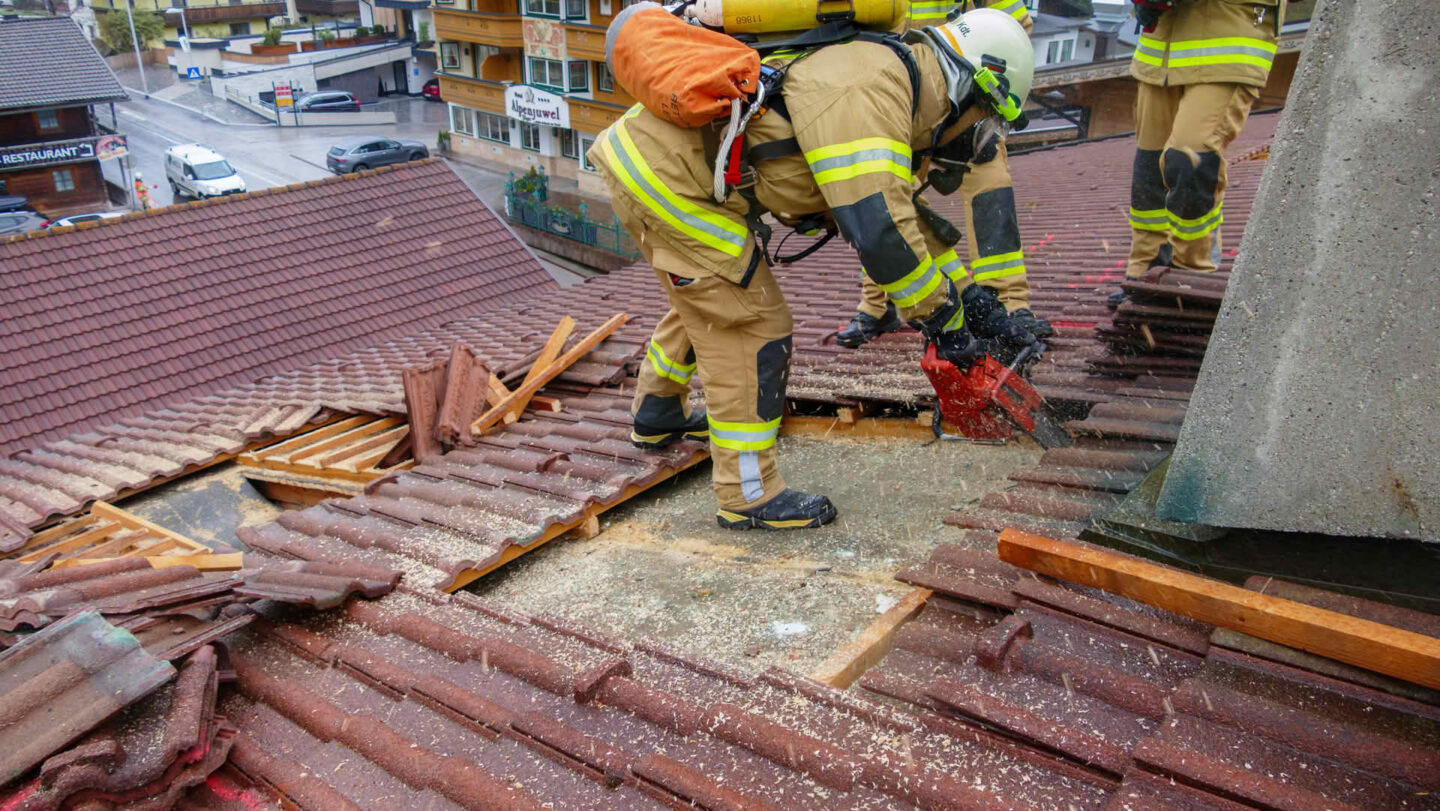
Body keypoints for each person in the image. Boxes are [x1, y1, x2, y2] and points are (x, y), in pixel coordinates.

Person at [590, 7, 1035, 529]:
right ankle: (748, 495)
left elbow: (902, 216)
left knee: (712, 294)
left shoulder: (888, 78)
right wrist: (945, 321)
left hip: (653, 167)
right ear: (973, 85)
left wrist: (970, 300)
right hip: (669, 181)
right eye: (982, 125)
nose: (973, 143)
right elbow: (880, 230)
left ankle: (658, 413)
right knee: (752, 322)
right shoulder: (868, 87)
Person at [836, 0, 1052, 350]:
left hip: (967, 98)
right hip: (900, 97)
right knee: (885, 199)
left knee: (990, 191)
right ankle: (877, 305)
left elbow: (1013, 28)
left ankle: (1006, 302)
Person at [1120, 0, 1281, 288]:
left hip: (1228, 48)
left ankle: (1191, 272)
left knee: (1189, 159)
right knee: (1150, 168)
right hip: (1159, 53)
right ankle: (1145, 271)